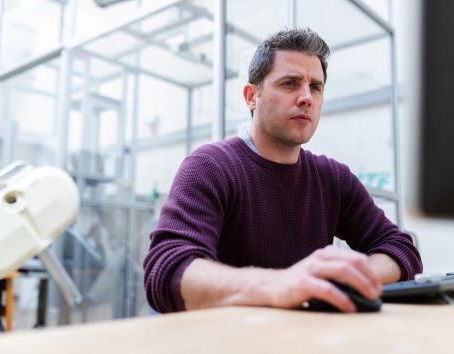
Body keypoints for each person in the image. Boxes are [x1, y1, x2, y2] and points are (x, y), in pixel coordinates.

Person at [143, 28, 422, 314]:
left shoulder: (333, 179)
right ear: (252, 97)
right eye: (290, 83)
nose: (306, 98)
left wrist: (346, 277)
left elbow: (400, 248)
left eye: (315, 86)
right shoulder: (211, 166)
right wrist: (280, 284)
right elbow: (167, 271)